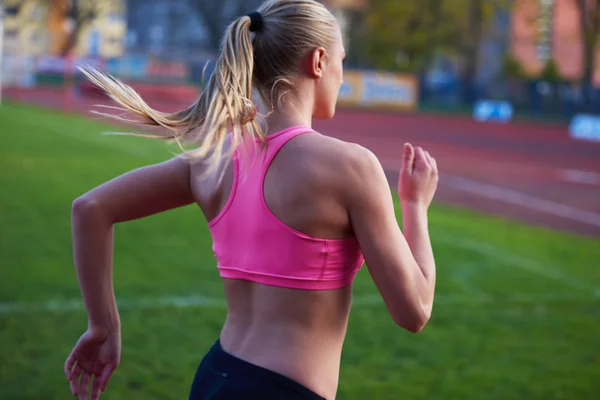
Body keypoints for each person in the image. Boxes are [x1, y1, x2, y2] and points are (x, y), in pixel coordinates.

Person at [63, 1, 439, 399]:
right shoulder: (351, 166)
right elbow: (413, 310)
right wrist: (415, 208)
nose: (342, 77)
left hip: (214, 376)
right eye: (342, 61)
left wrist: (102, 326)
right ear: (319, 61)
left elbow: (90, 208)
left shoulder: (213, 159)